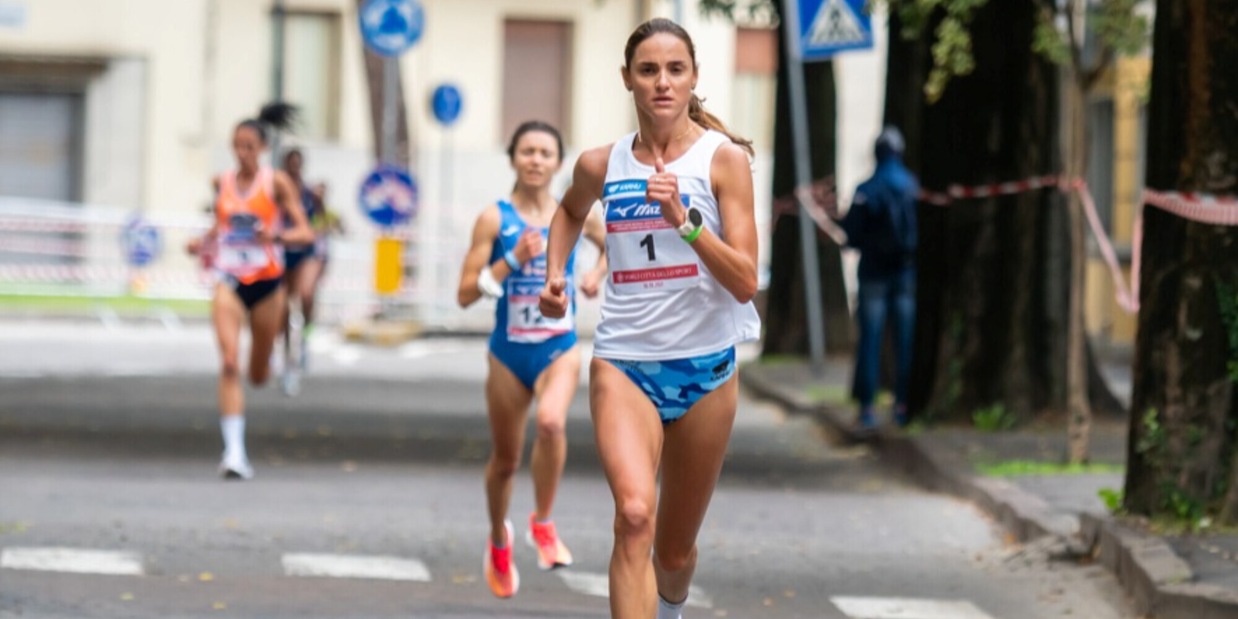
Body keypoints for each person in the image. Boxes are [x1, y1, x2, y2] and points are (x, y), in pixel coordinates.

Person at [539, 19, 760, 619]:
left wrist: (685, 222)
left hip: (706, 372)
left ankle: (671, 609)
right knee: (634, 516)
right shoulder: (600, 164)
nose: (662, 82)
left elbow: (745, 281)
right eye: (648, 70)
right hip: (624, 365)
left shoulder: (723, 162)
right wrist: (555, 276)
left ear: (693, 78)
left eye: (675, 70)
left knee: (675, 552)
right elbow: (567, 212)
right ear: (627, 79)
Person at [456, 120, 607, 599]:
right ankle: (498, 539)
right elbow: (464, 294)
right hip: (508, 353)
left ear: (559, 162)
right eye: (527, 151)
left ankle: (542, 522)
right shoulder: (494, 219)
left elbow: (616, 245)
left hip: (558, 346)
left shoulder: (574, 213)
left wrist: (597, 274)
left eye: (545, 152)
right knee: (505, 461)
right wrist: (512, 259)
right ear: (513, 159)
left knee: (551, 424)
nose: (536, 160)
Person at [187, 103, 314, 480]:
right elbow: (221, 224)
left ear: (262, 148)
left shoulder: (276, 183)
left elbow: (305, 232)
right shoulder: (221, 182)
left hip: (267, 284)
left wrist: (276, 236)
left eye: (248, 146)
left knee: (256, 374)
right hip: (229, 279)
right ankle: (234, 454)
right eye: (236, 145)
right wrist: (202, 242)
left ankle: (267, 358)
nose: (241, 153)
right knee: (229, 363)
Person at [835, 126, 919, 431]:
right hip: (905, 273)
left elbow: (851, 235)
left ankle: (867, 407)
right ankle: (902, 404)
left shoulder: (866, 189)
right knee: (905, 341)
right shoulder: (912, 186)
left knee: (870, 339)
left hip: (872, 274)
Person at [278, 148, 332, 392]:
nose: (294, 170)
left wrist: (320, 210)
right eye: (290, 166)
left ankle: (306, 335)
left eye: (297, 166)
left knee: (306, 295)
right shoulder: (276, 193)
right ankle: (288, 354)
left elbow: (322, 222)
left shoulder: (309, 194)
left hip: (305, 253)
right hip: (283, 253)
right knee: (283, 309)